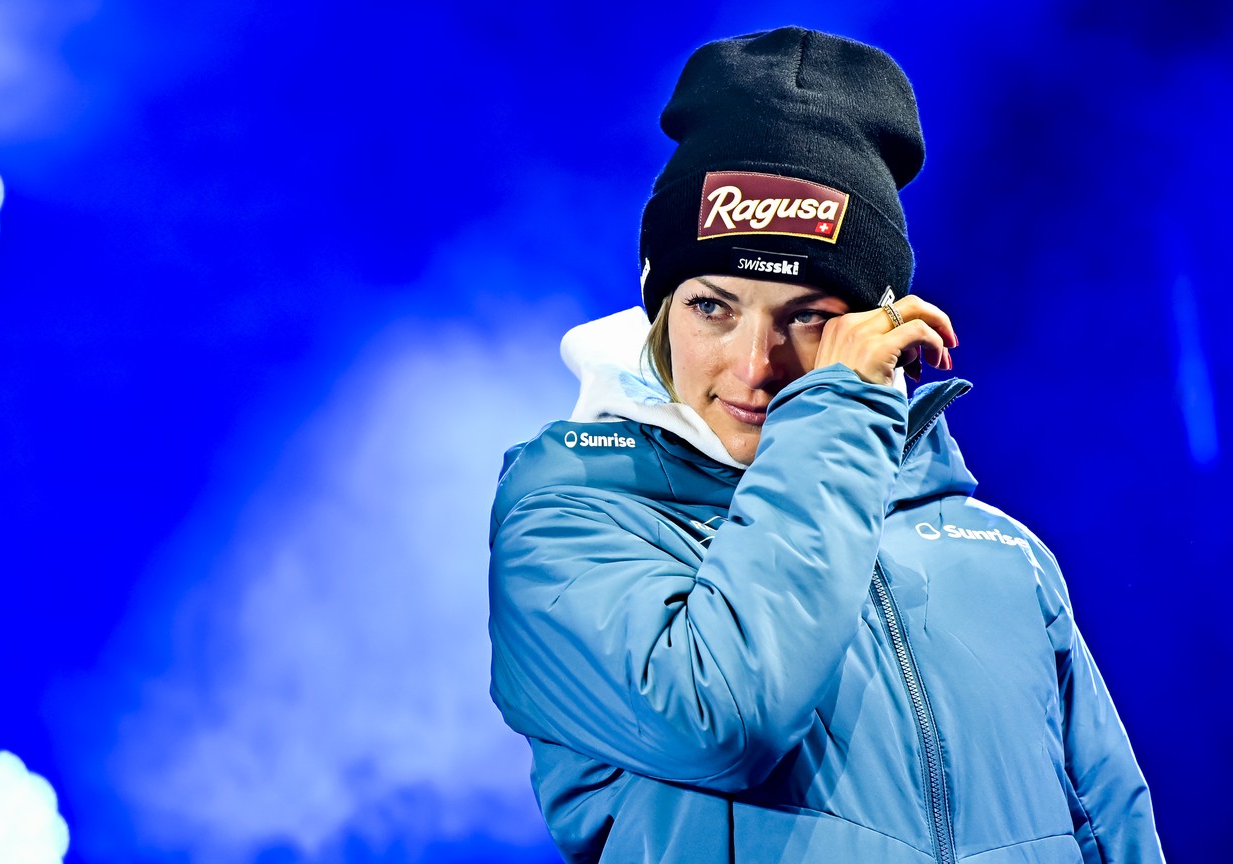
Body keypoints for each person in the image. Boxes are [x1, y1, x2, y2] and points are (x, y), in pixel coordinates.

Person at [486, 27, 1163, 864]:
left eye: (807, 314)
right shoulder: (565, 520)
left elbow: (1115, 834)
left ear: (878, 324)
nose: (754, 365)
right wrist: (840, 408)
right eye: (712, 306)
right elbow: (725, 718)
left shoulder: (1004, 557)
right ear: (658, 307)